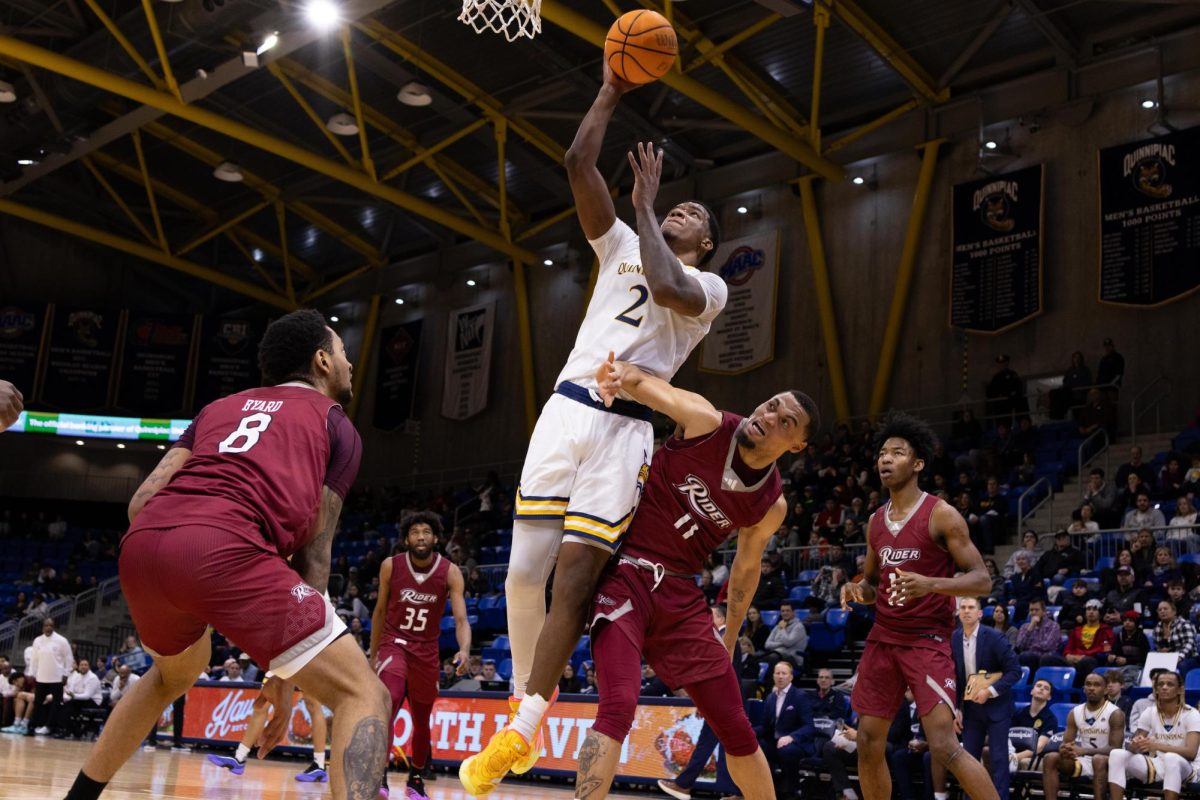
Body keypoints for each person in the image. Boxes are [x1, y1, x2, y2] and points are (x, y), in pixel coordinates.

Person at [493, 61, 727, 789]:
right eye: (676, 208)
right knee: (518, 577)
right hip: (566, 409)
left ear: (709, 244)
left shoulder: (709, 286)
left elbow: (664, 286)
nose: (683, 211)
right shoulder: (618, 241)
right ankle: (524, 698)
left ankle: (525, 722)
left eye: (697, 216)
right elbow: (575, 161)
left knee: (573, 579)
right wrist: (612, 89)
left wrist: (651, 211)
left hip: (627, 431)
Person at [61, 309, 390, 800]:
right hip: (225, 546)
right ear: (322, 361)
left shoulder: (219, 408)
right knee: (364, 693)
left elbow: (140, 502)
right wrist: (284, 674)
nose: (349, 361)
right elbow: (314, 557)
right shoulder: (336, 426)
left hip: (145, 546)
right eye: (343, 351)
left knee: (172, 674)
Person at [504, 357, 816, 800]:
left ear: (797, 445)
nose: (769, 417)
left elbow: (745, 574)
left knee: (735, 725)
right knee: (618, 706)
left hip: (681, 594)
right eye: (770, 406)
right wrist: (621, 376)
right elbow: (645, 384)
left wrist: (727, 640)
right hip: (625, 573)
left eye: (786, 421)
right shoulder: (706, 421)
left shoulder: (771, 505)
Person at [839, 411, 1001, 800]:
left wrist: (931, 584)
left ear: (918, 463)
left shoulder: (941, 514)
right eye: (882, 453)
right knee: (866, 741)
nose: (885, 459)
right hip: (883, 639)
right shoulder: (876, 520)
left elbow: (982, 579)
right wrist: (855, 589)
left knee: (944, 746)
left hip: (926, 640)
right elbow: (874, 586)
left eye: (897, 452)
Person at [370, 512, 470, 800]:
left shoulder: (450, 571)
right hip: (394, 643)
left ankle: (416, 778)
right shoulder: (391, 566)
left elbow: (461, 620)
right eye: (415, 532)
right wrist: (374, 653)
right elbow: (378, 611)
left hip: (426, 651)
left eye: (427, 532)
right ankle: (380, 775)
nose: (421, 537)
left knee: (422, 719)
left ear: (436, 538)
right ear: (406, 539)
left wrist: (463, 649)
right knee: (389, 697)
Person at [953, 596, 1022, 800]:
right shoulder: (954, 638)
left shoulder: (994, 637)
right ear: (958, 612)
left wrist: (990, 691)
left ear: (980, 613)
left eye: (971, 607)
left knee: (999, 758)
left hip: (997, 707)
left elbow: (1015, 671)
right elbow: (956, 677)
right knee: (969, 759)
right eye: (963, 607)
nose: (966, 611)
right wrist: (956, 709)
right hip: (971, 709)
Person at [208, 681, 331, 783]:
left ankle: (319, 765)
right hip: (281, 659)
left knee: (313, 703)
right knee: (262, 703)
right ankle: (239, 757)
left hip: (301, 657)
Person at [1107, 671, 1199, 800]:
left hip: (1185, 768)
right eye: (1160, 684)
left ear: (1179, 690)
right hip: (1157, 764)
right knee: (1117, 754)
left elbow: (1191, 753)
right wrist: (1136, 744)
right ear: (1155, 689)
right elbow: (1134, 745)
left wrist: (1155, 745)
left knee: (1171, 758)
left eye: (1169, 684)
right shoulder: (1149, 712)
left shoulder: (1191, 714)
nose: (1164, 687)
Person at [1042, 672, 1125, 800]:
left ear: (1105, 690)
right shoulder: (1075, 712)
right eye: (1088, 684)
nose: (1091, 688)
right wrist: (1065, 749)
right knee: (1050, 758)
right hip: (1085, 761)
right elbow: (1067, 743)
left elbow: (1115, 749)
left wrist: (1084, 750)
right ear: (1084, 689)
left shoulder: (1115, 713)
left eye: (1097, 685)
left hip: (1111, 763)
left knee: (1098, 759)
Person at [756, 661, 817, 798]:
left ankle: (793, 790)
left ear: (791, 677)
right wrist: (749, 732)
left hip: (796, 743)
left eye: (784, 673)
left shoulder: (800, 696)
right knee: (756, 746)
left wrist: (791, 737)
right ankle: (765, 787)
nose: (780, 676)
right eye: (777, 673)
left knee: (786, 750)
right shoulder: (771, 697)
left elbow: (809, 726)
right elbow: (765, 727)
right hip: (776, 741)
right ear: (773, 676)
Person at [29, 617, 73, 736]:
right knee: (38, 702)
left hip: (56, 677)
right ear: (43, 627)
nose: (48, 627)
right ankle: (34, 725)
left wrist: (66, 674)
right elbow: (34, 659)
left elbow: (69, 658)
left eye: (51, 625)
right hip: (41, 677)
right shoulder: (37, 640)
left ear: (54, 627)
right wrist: (33, 673)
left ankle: (50, 726)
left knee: (56, 703)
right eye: (46, 625)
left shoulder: (62, 640)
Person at [1008, 678, 1058, 770]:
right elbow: (1007, 736)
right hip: (1013, 751)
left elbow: (1039, 747)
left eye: (1046, 688)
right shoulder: (1019, 713)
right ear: (1032, 691)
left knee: (1023, 762)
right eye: (1039, 686)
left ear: (1049, 697)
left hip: (1035, 756)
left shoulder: (1050, 719)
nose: (1042, 689)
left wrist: (1015, 757)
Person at [1015, 598, 1063, 671]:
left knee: (1027, 656)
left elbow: (1046, 646)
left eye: (1037, 610)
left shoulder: (1053, 626)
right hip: (1028, 658)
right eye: (1031, 610)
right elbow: (1020, 645)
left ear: (1044, 611)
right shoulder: (1025, 627)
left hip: (1046, 659)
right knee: (1021, 656)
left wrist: (1031, 646)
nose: (1034, 612)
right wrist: (1030, 628)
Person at [1153, 599, 1198, 676]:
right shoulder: (1157, 627)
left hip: (1189, 658)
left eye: (1165, 609)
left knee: (1182, 665)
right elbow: (1158, 647)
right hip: (1168, 658)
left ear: (1174, 611)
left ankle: (1183, 686)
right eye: (1160, 610)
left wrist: (1179, 657)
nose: (1162, 611)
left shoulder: (1184, 624)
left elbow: (1189, 644)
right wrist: (1161, 651)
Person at [762, 601, 808, 673]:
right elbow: (767, 645)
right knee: (757, 656)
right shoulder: (778, 626)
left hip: (793, 658)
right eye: (783, 611)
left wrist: (783, 629)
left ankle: (771, 682)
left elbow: (788, 643)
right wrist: (781, 643)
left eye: (787, 611)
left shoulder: (798, 627)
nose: (785, 613)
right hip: (777, 653)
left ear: (793, 612)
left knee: (773, 657)